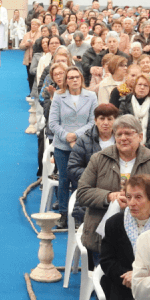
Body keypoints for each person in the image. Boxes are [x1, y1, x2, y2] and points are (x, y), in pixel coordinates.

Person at [76, 114, 150, 261]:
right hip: (101, 233)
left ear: (140, 136)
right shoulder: (99, 159)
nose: (123, 138)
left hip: (144, 233)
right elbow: (82, 192)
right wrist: (109, 196)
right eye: (119, 134)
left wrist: (139, 202)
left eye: (129, 133)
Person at [97, 173, 150, 300]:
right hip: (124, 286)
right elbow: (107, 261)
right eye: (129, 197)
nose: (132, 203)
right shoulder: (115, 223)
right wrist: (128, 278)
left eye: (138, 197)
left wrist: (140, 276)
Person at [50, 67, 97, 227]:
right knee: (63, 180)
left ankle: (79, 215)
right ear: (66, 81)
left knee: (80, 181)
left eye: (77, 77)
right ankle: (63, 213)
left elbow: (92, 122)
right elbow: (53, 123)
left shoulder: (91, 96)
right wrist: (67, 136)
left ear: (81, 79)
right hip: (62, 147)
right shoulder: (58, 96)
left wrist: (75, 135)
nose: (74, 80)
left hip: (82, 145)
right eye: (70, 78)